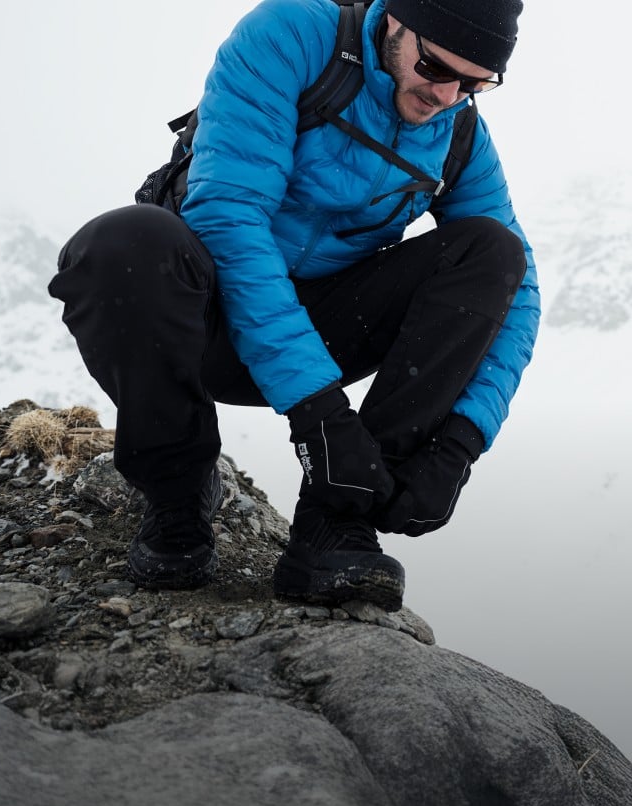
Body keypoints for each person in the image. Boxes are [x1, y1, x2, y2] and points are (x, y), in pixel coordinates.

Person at [49, 0, 539, 613]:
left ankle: (336, 521)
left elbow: (519, 289)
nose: (447, 96)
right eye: (435, 67)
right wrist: (319, 414)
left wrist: (460, 443)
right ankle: (178, 495)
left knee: (491, 252)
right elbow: (229, 217)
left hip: (323, 331)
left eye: (475, 84)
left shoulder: (459, 134)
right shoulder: (294, 38)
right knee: (121, 242)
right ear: (396, 20)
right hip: (198, 325)